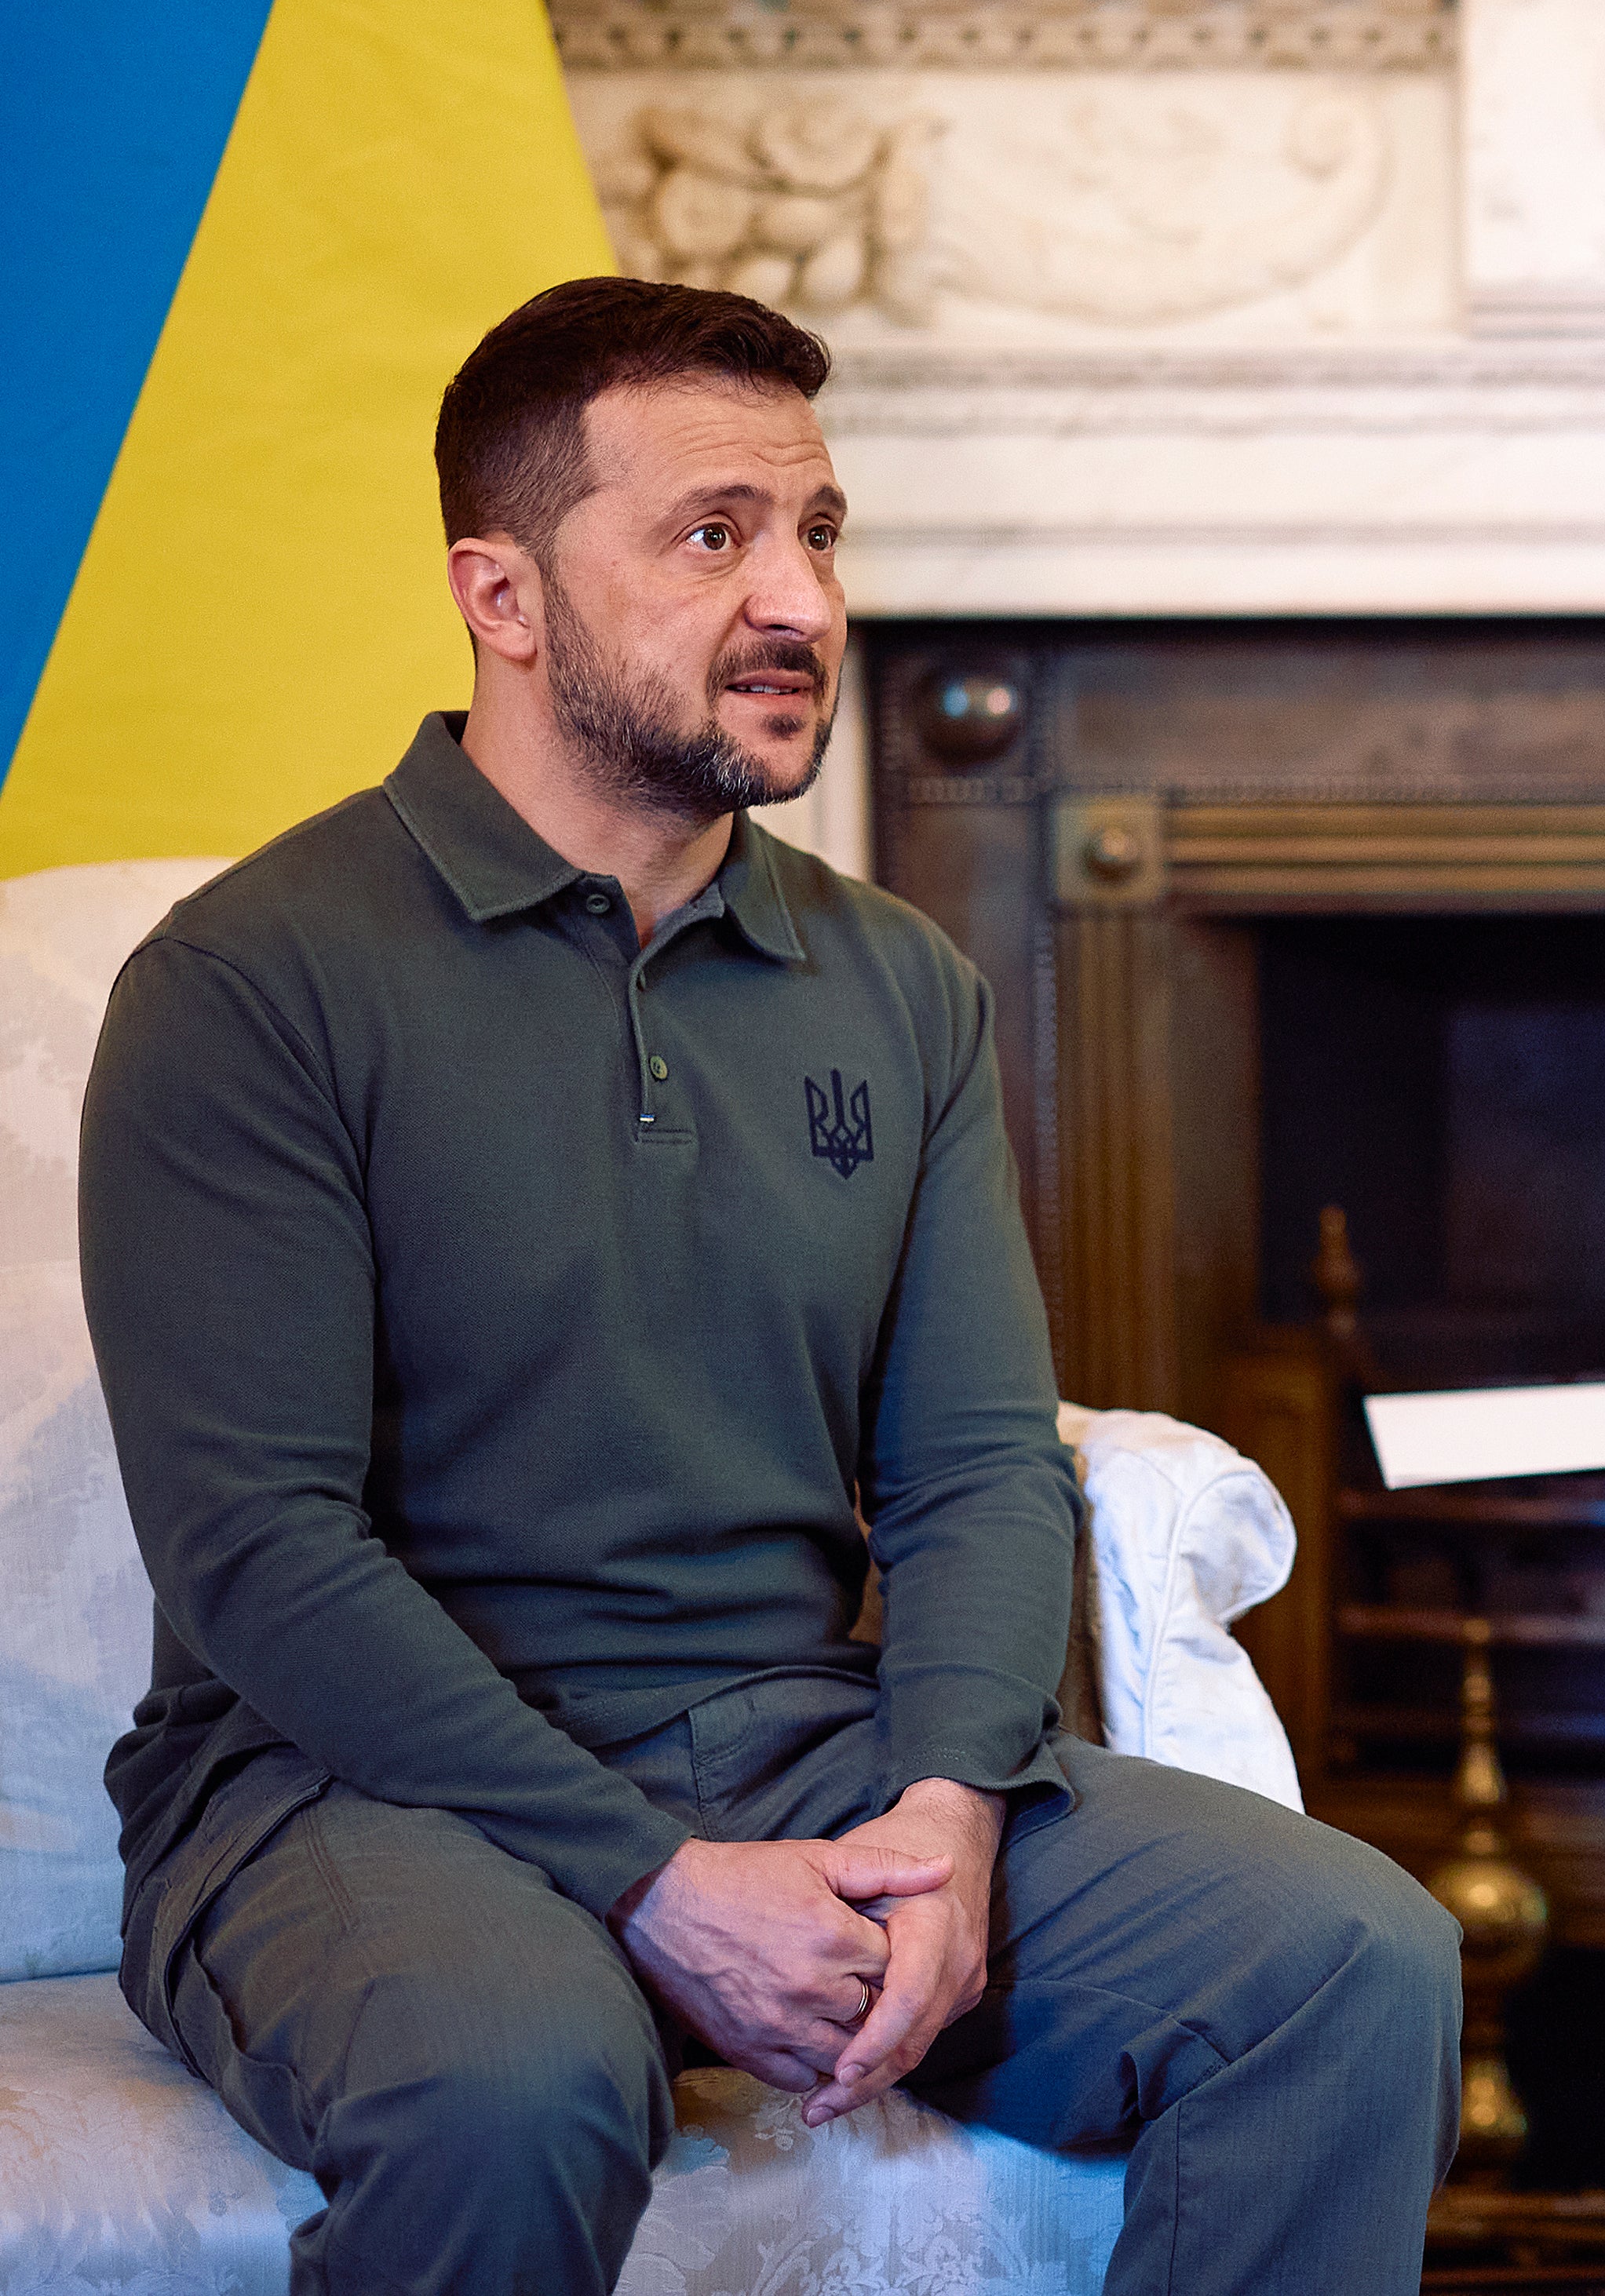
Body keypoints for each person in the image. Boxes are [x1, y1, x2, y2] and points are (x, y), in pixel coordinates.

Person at [84, 277, 1461, 2296]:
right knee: (513, 2084)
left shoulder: (900, 982)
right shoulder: (250, 984)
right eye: (712, 534)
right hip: (342, 1784)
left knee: (1353, 1962)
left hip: (804, 1743)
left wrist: (951, 1806)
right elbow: (258, 1550)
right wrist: (653, 1879)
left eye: (816, 532)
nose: (801, 599)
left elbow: (982, 1462)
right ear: (505, 592)